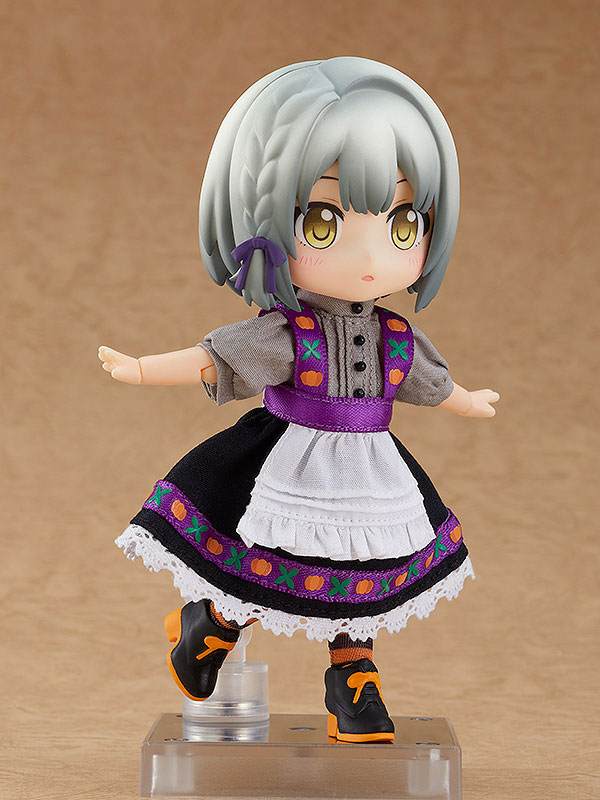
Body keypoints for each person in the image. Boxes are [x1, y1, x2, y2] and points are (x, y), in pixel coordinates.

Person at [99, 56, 499, 743]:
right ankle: (212, 625)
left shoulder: (396, 337)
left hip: (371, 469)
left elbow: (428, 381)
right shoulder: (290, 333)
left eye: (404, 223)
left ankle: (354, 680)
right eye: (321, 222)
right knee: (265, 557)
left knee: (362, 572)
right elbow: (217, 358)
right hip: (290, 460)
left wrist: (465, 400)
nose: (370, 255)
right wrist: (142, 369)